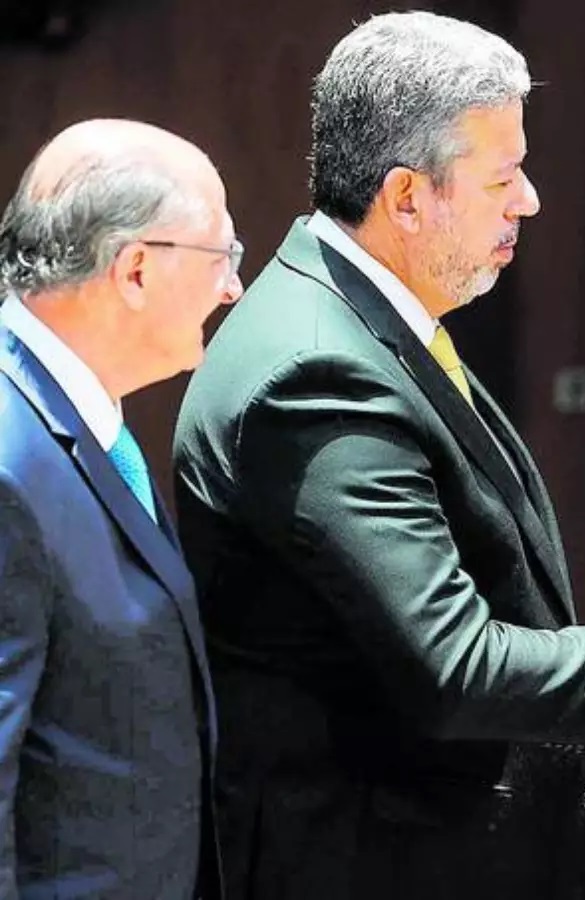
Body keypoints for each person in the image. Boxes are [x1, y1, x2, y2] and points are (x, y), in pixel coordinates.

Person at [172, 12, 585, 900]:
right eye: (504, 177)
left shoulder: (367, 317)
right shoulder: (317, 370)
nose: (530, 201)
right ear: (407, 198)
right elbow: (451, 665)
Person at [0, 119, 243, 898]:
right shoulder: (10, 459)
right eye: (222, 255)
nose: (232, 288)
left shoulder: (75, 417)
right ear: (136, 270)